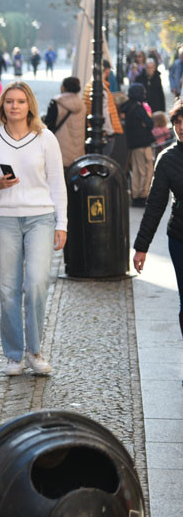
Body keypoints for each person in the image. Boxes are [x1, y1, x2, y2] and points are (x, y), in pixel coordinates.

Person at [0, 82, 67, 376]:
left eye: (21, 101)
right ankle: (14, 354)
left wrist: (61, 223)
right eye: (10, 101)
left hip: (41, 216)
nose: (15, 106)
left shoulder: (45, 138)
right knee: (8, 289)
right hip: (5, 218)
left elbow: (57, 182)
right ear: (2, 106)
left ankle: (35, 350)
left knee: (37, 283)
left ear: (30, 106)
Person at [133, 98, 183, 340]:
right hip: (180, 238)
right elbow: (155, 205)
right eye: (178, 122)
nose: (181, 127)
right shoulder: (167, 158)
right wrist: (141, 247)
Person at [84, 61, 128, 175]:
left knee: (96, 166)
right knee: (102, 166)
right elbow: (104, 113)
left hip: (95, 132)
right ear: (106, 71)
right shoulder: (100, 88)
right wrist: (110, 132)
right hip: (103, 134)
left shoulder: (88, 86)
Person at [122, 84, 155, 206]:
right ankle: (142, 195)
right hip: (143, 143)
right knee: (146, 170)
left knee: (136, 170)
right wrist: (145, 124)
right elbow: (150, 123)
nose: (145, 95)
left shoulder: (127, 106)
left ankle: (136, 195)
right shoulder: (138, 108)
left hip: (133, 144)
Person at [44, 76, 86, 174]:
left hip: (60, 149)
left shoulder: (56, 103)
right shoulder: (82, 104)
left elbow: (49, 125)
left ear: (63, 87)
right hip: (78, 151)